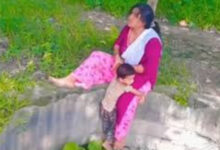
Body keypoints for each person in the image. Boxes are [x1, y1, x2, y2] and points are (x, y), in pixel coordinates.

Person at [49, 3, 163, 149]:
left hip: (138, 76)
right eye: (132, 13)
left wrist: (125, 68)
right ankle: (71, 80)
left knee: (125, 101)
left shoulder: (152, 42)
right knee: (98, 56)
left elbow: (148, 69)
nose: (130, 17)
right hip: (122, 67)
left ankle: (119, 143)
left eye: (136, 16)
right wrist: (117, 58)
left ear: (143, 22)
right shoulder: (128, 29)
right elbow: (117, 45)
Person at [100, 64, 144, 150]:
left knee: (106, 125)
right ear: (121, 79)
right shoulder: (124, 86)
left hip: (103, 106)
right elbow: (136, 92)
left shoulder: (115, 78)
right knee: (112, 127)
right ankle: (107, 143)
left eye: (133, 78)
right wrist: (142, 95)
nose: (132, 80)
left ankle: (107, 140)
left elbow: (117, 68)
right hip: (110, 110)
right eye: (130, 79)